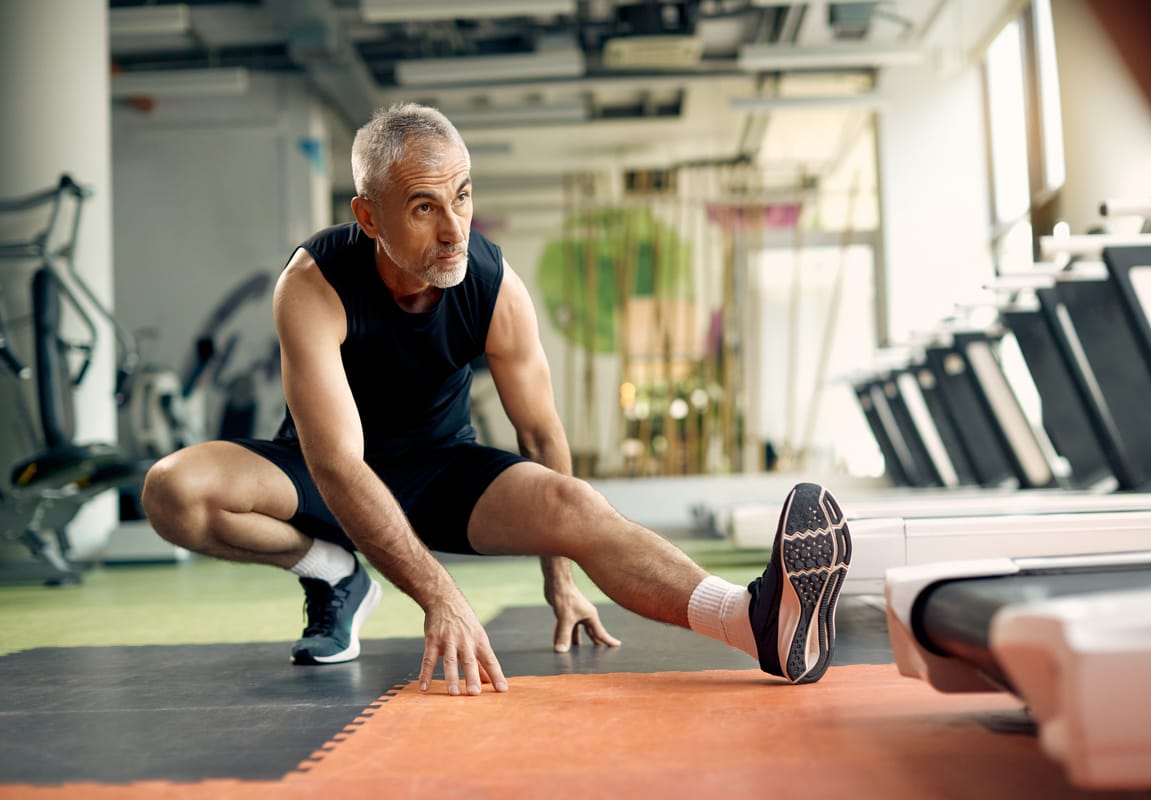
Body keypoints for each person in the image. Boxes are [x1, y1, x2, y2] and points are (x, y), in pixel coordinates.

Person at [141, 103, 851, 697]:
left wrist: (560, 576)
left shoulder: (493, 285)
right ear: (368, 215)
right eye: (424, 207)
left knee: (575, 505)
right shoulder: (313, 285)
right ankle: (330, 572)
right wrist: (441, 596)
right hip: (321, 474)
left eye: (463, 196)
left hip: (442, 472)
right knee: (174, 491)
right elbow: (338, 464)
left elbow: (540, 436)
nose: (455, 229)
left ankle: (754, 621)